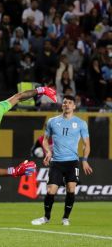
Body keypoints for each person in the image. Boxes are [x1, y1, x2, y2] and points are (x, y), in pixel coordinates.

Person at [31, 95, 93, 226]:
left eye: (70, 103)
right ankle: (46, 217)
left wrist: (85, 160)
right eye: (65, 103)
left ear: (74, 106)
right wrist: (48, 151)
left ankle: (66, 218)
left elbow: (86, 144)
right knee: (50, 191)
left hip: (72, 162)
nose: (67, 105)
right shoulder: (52, 121)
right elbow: (45, 140)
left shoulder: (81, 123)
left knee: (71, 189)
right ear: (62, 105)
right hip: (57, 162)